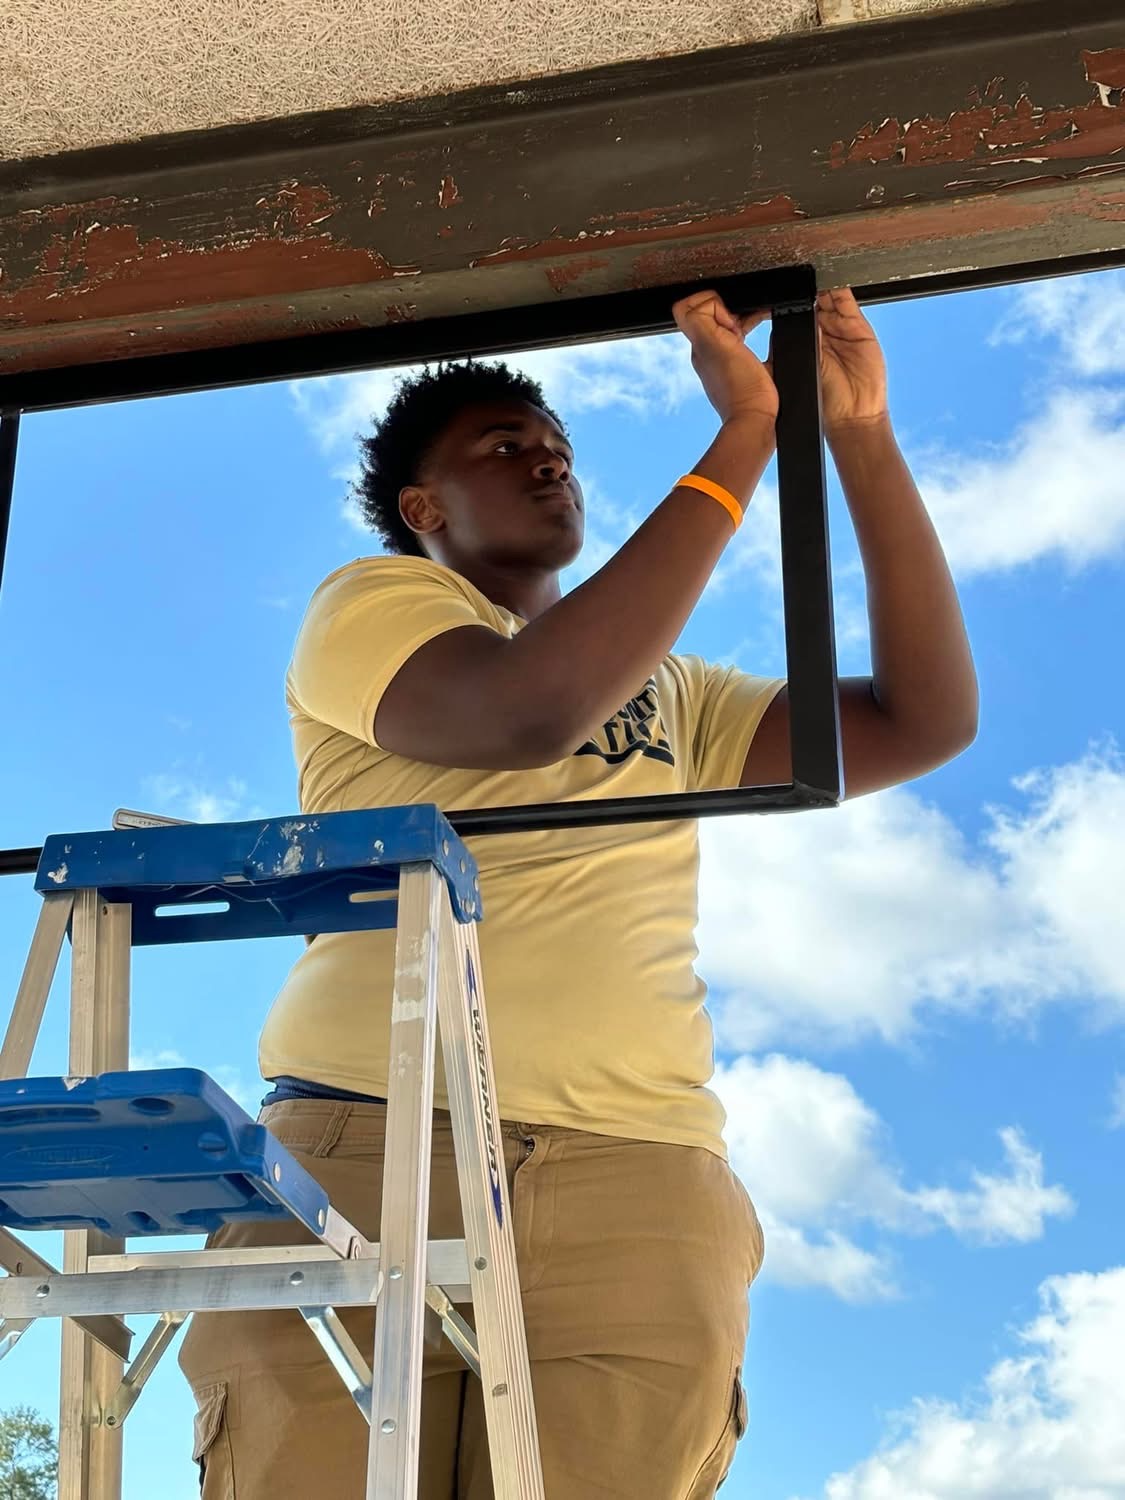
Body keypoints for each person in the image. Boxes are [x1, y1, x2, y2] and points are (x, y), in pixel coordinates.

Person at [179, 287, 978, 1498]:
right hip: (376, 1148)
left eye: (554, 443)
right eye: (504, 446)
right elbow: (525, 708)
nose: (545, 455)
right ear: (423, 510)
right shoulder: (377, 604)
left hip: (639, 1179)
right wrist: (744, 436)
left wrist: (856, 436)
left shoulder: (680, 693)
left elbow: (924, 717)